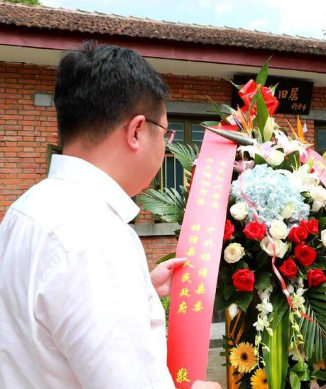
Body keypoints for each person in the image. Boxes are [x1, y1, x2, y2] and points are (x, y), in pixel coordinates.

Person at [0, 42, 220, 389]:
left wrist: (139, 291)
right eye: (166, 132)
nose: (167, 145)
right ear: (135, 132)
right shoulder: (97, 238)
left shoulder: (24, 210)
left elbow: (46, 324)